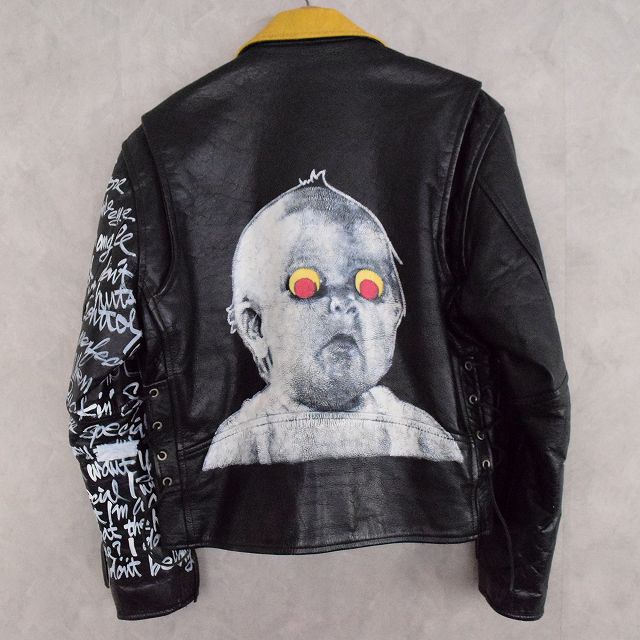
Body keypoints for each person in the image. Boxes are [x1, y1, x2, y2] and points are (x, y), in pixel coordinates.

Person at [202, 169, 464, 470]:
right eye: (306, 285)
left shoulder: (417, 433)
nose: (343, 302)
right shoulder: (245, 438)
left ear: (394, 313)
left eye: (368, 286)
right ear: (255, 326)